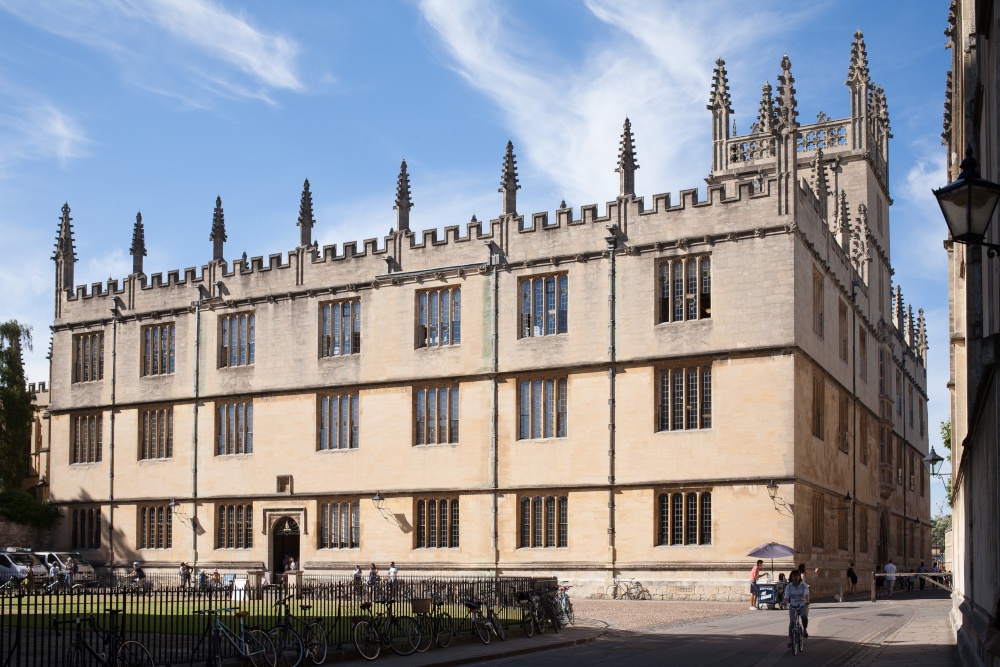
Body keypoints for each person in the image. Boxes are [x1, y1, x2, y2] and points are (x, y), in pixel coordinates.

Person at [783, 569, 810, 645]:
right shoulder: (789, 586)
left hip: (802, 604)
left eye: (796, 576)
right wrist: (784, 602)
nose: (795, 577)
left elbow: (806, 594)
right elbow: (786, 596)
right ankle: (791, 640)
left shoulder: (803, 585)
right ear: (791, 577)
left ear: (799, 577)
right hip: (793, 605)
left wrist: (807, 601)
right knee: (792, 622)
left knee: (804, 616)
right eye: (793, 576)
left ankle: (804, 630)